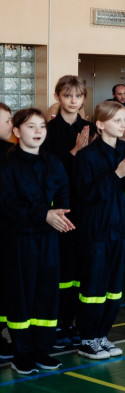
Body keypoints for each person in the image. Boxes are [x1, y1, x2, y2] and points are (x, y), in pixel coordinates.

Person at [0, 108, 72, 375]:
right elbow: (7, 204)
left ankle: (42, 350)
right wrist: (44, 215)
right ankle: (21, 353)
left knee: (46, 292)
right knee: (22, 294)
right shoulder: (8, 166)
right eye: (31, 126)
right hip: (20, 240)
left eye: (42, 126)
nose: (38, 131)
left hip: (48, 239)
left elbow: (64, 193)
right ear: (17, 132)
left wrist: (58, 215)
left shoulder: (53, 162)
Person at [72, 101, 125, 359]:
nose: (123, 125)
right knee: (94, 287)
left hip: (121, 230)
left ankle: (102, 335)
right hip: (96, 232)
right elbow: (86, 195)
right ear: (100, 125)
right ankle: (87, 338)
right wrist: (116, 175)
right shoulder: (87, 156)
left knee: (114, 289)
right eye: (117, 120)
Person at [42, 75, 94, 350]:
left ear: (84, 98)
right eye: (67, 96)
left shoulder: (90, 128)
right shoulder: (49, 130)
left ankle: (73, 321)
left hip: (87, 207)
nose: (73, 101)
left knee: (82, 267)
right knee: (63, 267)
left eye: (78, 96)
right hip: (61, 207)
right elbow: (47, 170)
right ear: (57, 97)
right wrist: (74, 152)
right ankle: (58, 323)